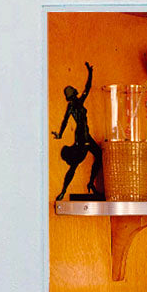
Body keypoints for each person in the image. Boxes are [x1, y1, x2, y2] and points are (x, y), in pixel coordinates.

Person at [52, 62, 102, 200]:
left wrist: (60, 134)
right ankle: (66, 190)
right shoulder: (78, 103)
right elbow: (88, 88)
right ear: (73, 94)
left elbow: (65, 121)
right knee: (77, 164)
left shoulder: (71, 106)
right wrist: (90, 73)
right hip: (82, 135)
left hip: (85, 135)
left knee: (97, 156)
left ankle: (90, 183)